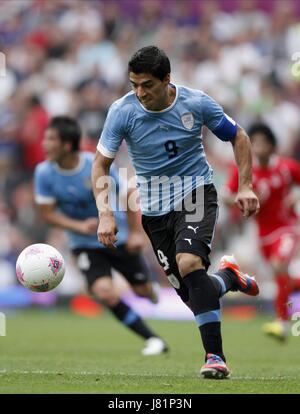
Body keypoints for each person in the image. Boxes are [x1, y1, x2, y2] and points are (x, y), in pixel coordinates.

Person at [91, 46, 260, 379]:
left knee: (188, 263)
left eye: (147, 85)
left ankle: (215, 357)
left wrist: (245, 185)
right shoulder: (122, 111)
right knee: (190, 293)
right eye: (134, 84)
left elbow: (238, 136)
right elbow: (101, 164)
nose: (139, 93)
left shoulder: (195, 103)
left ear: (167, 79)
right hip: (154, 213)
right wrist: (106, 213)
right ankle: (229, 278)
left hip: (195, 195)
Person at [34, 115, 168, 356]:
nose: (44, 144)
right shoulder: (43, 173)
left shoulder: (95, 165)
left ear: (66, 145)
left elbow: (128, 194)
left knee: (142, 291)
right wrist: (77, 226)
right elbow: (47, 213)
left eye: (50, 138)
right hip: (84, 244)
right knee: (105, 292)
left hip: (119, 237)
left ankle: (150, 289)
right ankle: (152, 339)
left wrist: (137, 233)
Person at [223, 123, 300, 341]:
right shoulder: (247, 172)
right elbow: (226, 195)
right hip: (262, 234)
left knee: (279, 266)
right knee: (281, 276)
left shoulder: (286, 167)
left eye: (263, 143)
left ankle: (282, 322)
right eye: (254, 143)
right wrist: (239, 198)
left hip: (287, 228)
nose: (258, 147)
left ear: (272, 145)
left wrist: (297, 195)